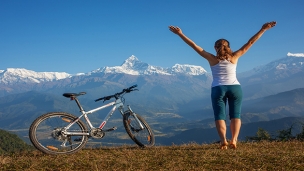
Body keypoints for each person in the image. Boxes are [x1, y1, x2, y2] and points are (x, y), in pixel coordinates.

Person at [169, 21, 276, 149]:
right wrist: (263, 29)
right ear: (229, 46)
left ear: (215, 48)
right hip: (235, 88)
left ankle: (223, 140)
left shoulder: (211, 58)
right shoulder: (235, 56)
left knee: (219, 116)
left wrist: (180, 34)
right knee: (235, 115)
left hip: (218, 88)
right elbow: (250, 43)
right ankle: (234, 140)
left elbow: (194, 45)